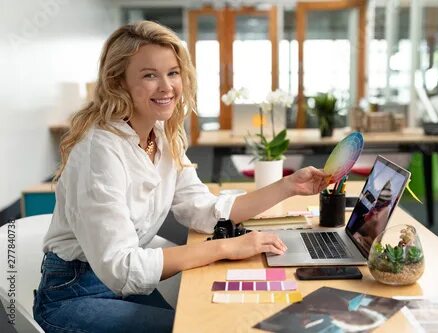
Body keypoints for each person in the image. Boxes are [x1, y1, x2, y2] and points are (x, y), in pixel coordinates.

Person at [33, 21, 330, 333]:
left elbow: (203, 211)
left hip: (120, 285)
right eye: (150, 75)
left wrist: (288, 186)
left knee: (212, 320)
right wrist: (226, 248)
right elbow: (121, 269)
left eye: (173, 72)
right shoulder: (99, 152)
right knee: (202, 327)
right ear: (118, 82)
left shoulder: (160, 135)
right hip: (73, 295)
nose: (167, 86)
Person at [352, 181, 393, 253]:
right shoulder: (377, 210)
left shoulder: (384, 211)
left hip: (371, 244)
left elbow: (375, 237)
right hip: (363, 236)